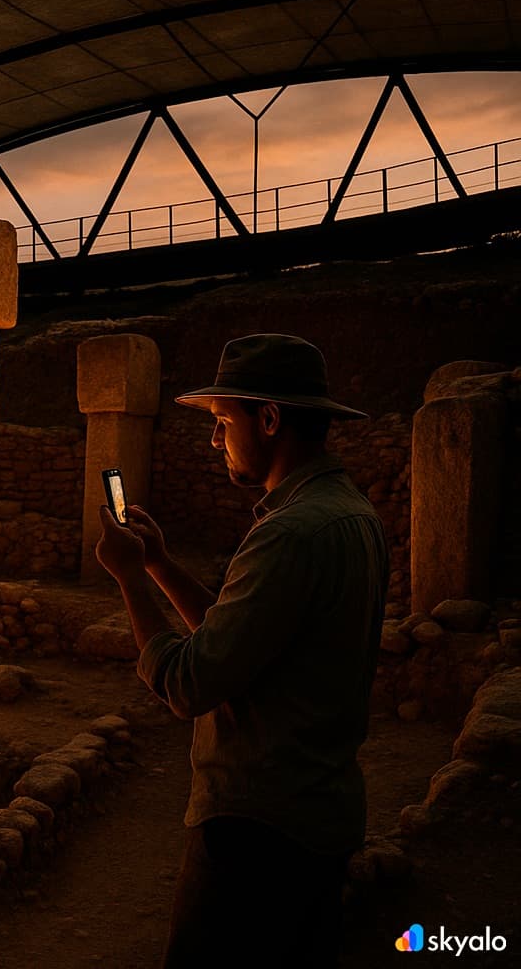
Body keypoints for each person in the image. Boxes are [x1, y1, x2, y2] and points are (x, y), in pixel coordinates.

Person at [94, 333, 390, 969]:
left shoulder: (288, 534)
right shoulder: (346, 513)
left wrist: (126, 579)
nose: (213, 440)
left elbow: (188, 682)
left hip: (257, 831)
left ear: (270, 418)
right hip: (316, 814)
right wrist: (159, 564)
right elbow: (242, 642)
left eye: (223, 421)